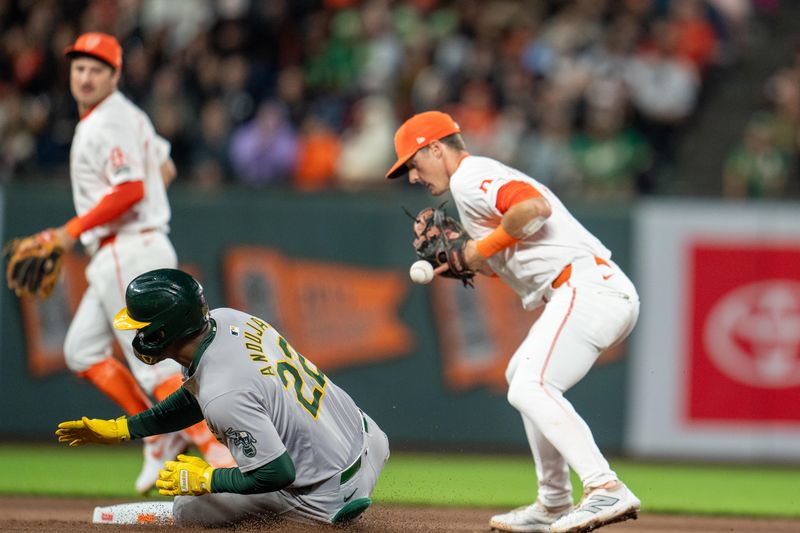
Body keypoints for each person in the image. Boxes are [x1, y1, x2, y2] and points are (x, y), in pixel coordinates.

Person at [386, 111, 641, 533]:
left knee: (532, 385)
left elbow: (532, 208)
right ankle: (554, 501)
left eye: (413, 163)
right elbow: (498, 253)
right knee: (519, 373)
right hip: (587, 290)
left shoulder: (470, 176)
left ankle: (604, 485)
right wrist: (461, 259)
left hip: (588, 287)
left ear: (435, 148)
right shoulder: (471, 195)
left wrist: (474, 250)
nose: (412, 177)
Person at [44, 32, 233, 493]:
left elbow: (129, 190)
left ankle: (216, 455)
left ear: (115, 74)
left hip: (123, 249)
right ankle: (164, 436)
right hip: (134, 246)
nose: (85, 77)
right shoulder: (131, 115)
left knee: (155, 368)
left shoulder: (104, 124)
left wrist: (68, 232)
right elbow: (163, 170)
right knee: (82, 350)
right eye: (78, 68)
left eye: (95, 69)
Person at [56, 268, 389, 527]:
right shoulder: (229, 319)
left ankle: (324, 512)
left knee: (189, 507)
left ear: (165, 330)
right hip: (369, 440)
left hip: (327, 496)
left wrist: (208, 478)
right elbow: (196, 396)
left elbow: (277, 473)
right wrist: (125, 429)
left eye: (143, 327)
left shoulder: (223, 394)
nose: (139, 335)